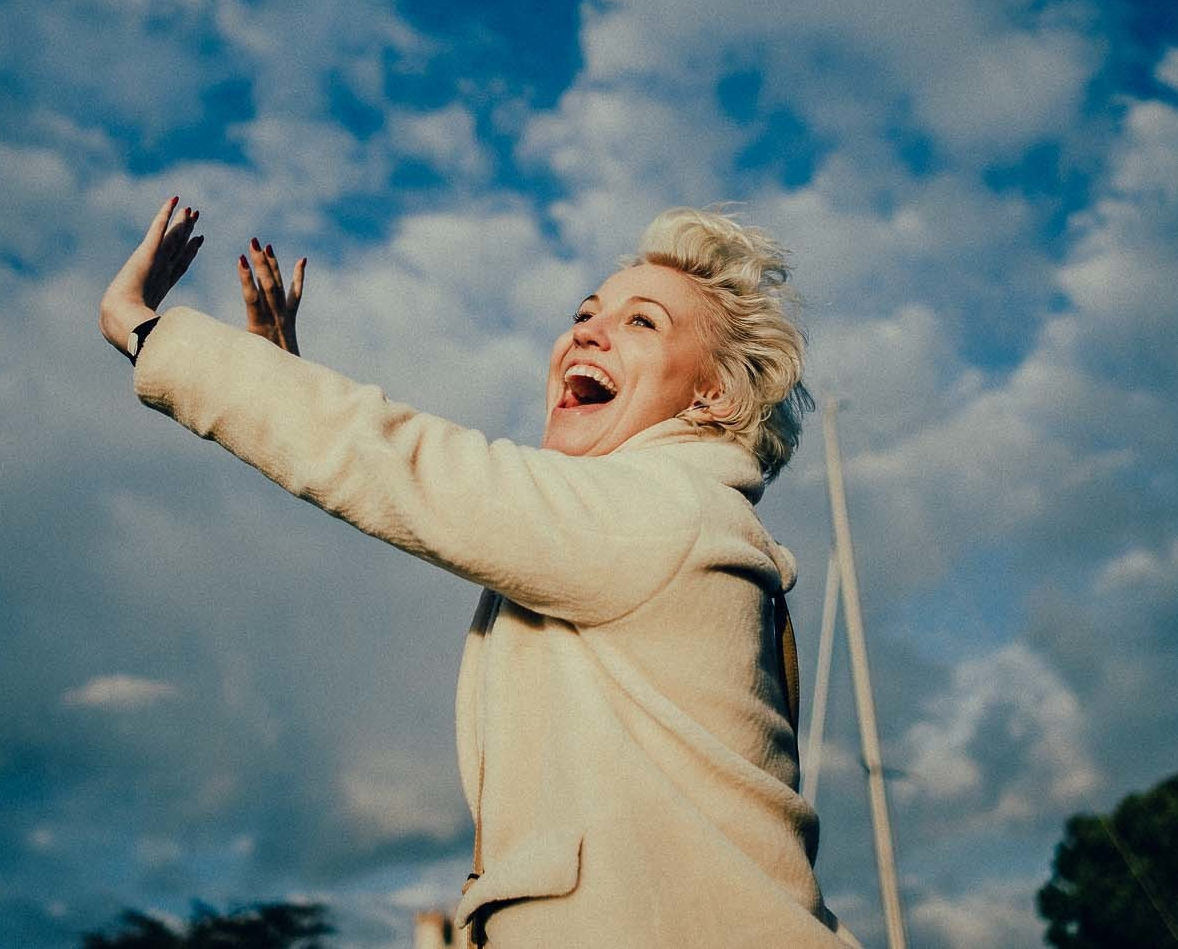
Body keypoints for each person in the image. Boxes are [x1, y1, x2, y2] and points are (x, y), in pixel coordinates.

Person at [99, 196, 859, 947]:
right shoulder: (639, 528)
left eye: (641, 321)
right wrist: (278, 378)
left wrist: (147, 331)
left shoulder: (666, 511)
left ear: (712, 392)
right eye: (585, 313)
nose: (586, 332)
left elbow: (402, 463)